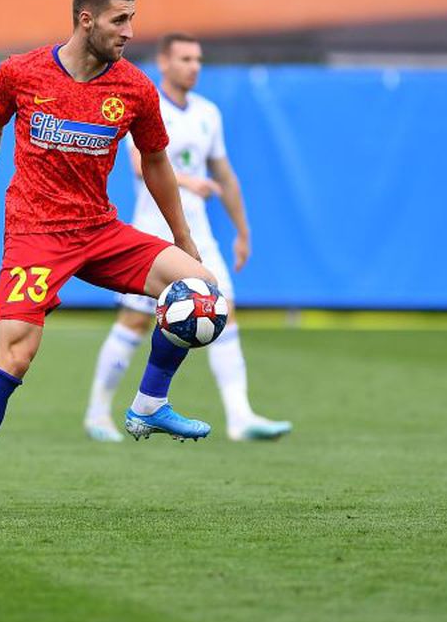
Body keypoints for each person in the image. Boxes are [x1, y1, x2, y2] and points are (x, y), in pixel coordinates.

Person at [0, 0, 222, 520]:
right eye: (120, 20)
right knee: (16, 355)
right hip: (36, 232)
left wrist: (183, 237)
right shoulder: (21, 72)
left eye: (133, 19)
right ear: (85, 20)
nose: (130, 31)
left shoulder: (135, 87)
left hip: (98, 228)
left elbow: (156, 160)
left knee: (201, 289)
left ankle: (148, 405)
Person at [82, 34, 291, 443]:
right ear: (164, 62)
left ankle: (240, 416)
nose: (194, 65)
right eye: (185, 58)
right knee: (135, 321)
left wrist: (243, 232)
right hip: (153, 231)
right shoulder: (146, 103)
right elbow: (142, 165)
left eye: (198, 58)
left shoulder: (208, 114)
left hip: (198, 236)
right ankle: (97, 412)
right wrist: (189, 181)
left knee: (223, 311)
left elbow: (225, 174)